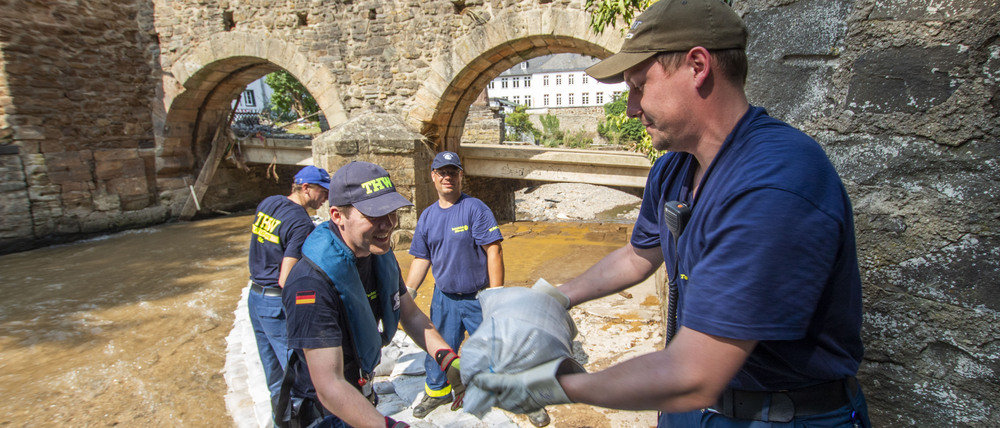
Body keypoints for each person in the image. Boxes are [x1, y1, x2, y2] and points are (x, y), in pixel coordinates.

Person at [470, 0, 872, 427]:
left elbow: (691, 375)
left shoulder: (775, 181)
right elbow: (638, 255)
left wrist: (553, 385)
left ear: (698, 66)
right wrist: (554, 297)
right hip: (695, 412)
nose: (629, 107)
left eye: (639, 85)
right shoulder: (675, 166)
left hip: (781, 415)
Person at [280, 161, 464, 428]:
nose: (388, 224)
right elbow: (328, 385)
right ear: (336, 215)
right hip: (324, 413)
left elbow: (409, 313)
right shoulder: (310, 285)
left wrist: (447, 359)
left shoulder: (377, 254)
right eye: (373, 215)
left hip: (361, 390)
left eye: (391, 211)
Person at [402, 152, 554, 424]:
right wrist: (408, 292)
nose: (447, 177)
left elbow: (494, 252)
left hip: (479, 297)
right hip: (444, 298)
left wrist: (496, 296)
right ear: (433, 176)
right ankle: (437, 391)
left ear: (461, 176)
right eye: (442, 172)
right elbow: (421, 258)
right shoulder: (427, 217)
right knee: (439, 348)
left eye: (453, 172)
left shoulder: (475, 209)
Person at [248, 165, 330, 422]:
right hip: (276, 306)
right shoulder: (300, 222)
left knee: (274, 376)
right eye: (322, 191)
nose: (325, 197)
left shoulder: (268, 203)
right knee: (296, 377)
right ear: (306, 188)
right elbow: (287, 278)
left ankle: (278, 422)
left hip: (255, 297)